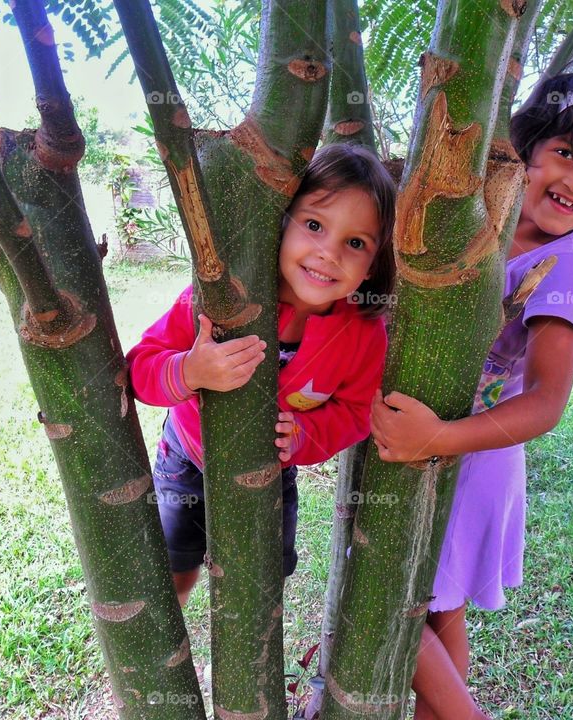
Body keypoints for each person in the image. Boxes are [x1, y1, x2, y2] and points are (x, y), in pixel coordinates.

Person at [369, 70, 573, 719]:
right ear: (521, 148)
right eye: (567, 153)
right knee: (440, 614)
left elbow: (546, 401)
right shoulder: (468, 224)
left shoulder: (561, 267)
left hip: (468, 461)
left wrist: (440, 438)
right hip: (414, 445)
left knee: (394, 601)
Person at [127, 143, 396, 607]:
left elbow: (355, 412)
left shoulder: (363, 333)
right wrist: (189, 370)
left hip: (270, 474)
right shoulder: (223, 297)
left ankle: (241, 666)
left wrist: (304, 435)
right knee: (175, 570)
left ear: (374, 264)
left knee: (259, 585)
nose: (327, 253)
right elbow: (140, 367)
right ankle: (173, 663)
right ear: (281, 222)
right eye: (313, 225)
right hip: (188, 458)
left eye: (356, 243)